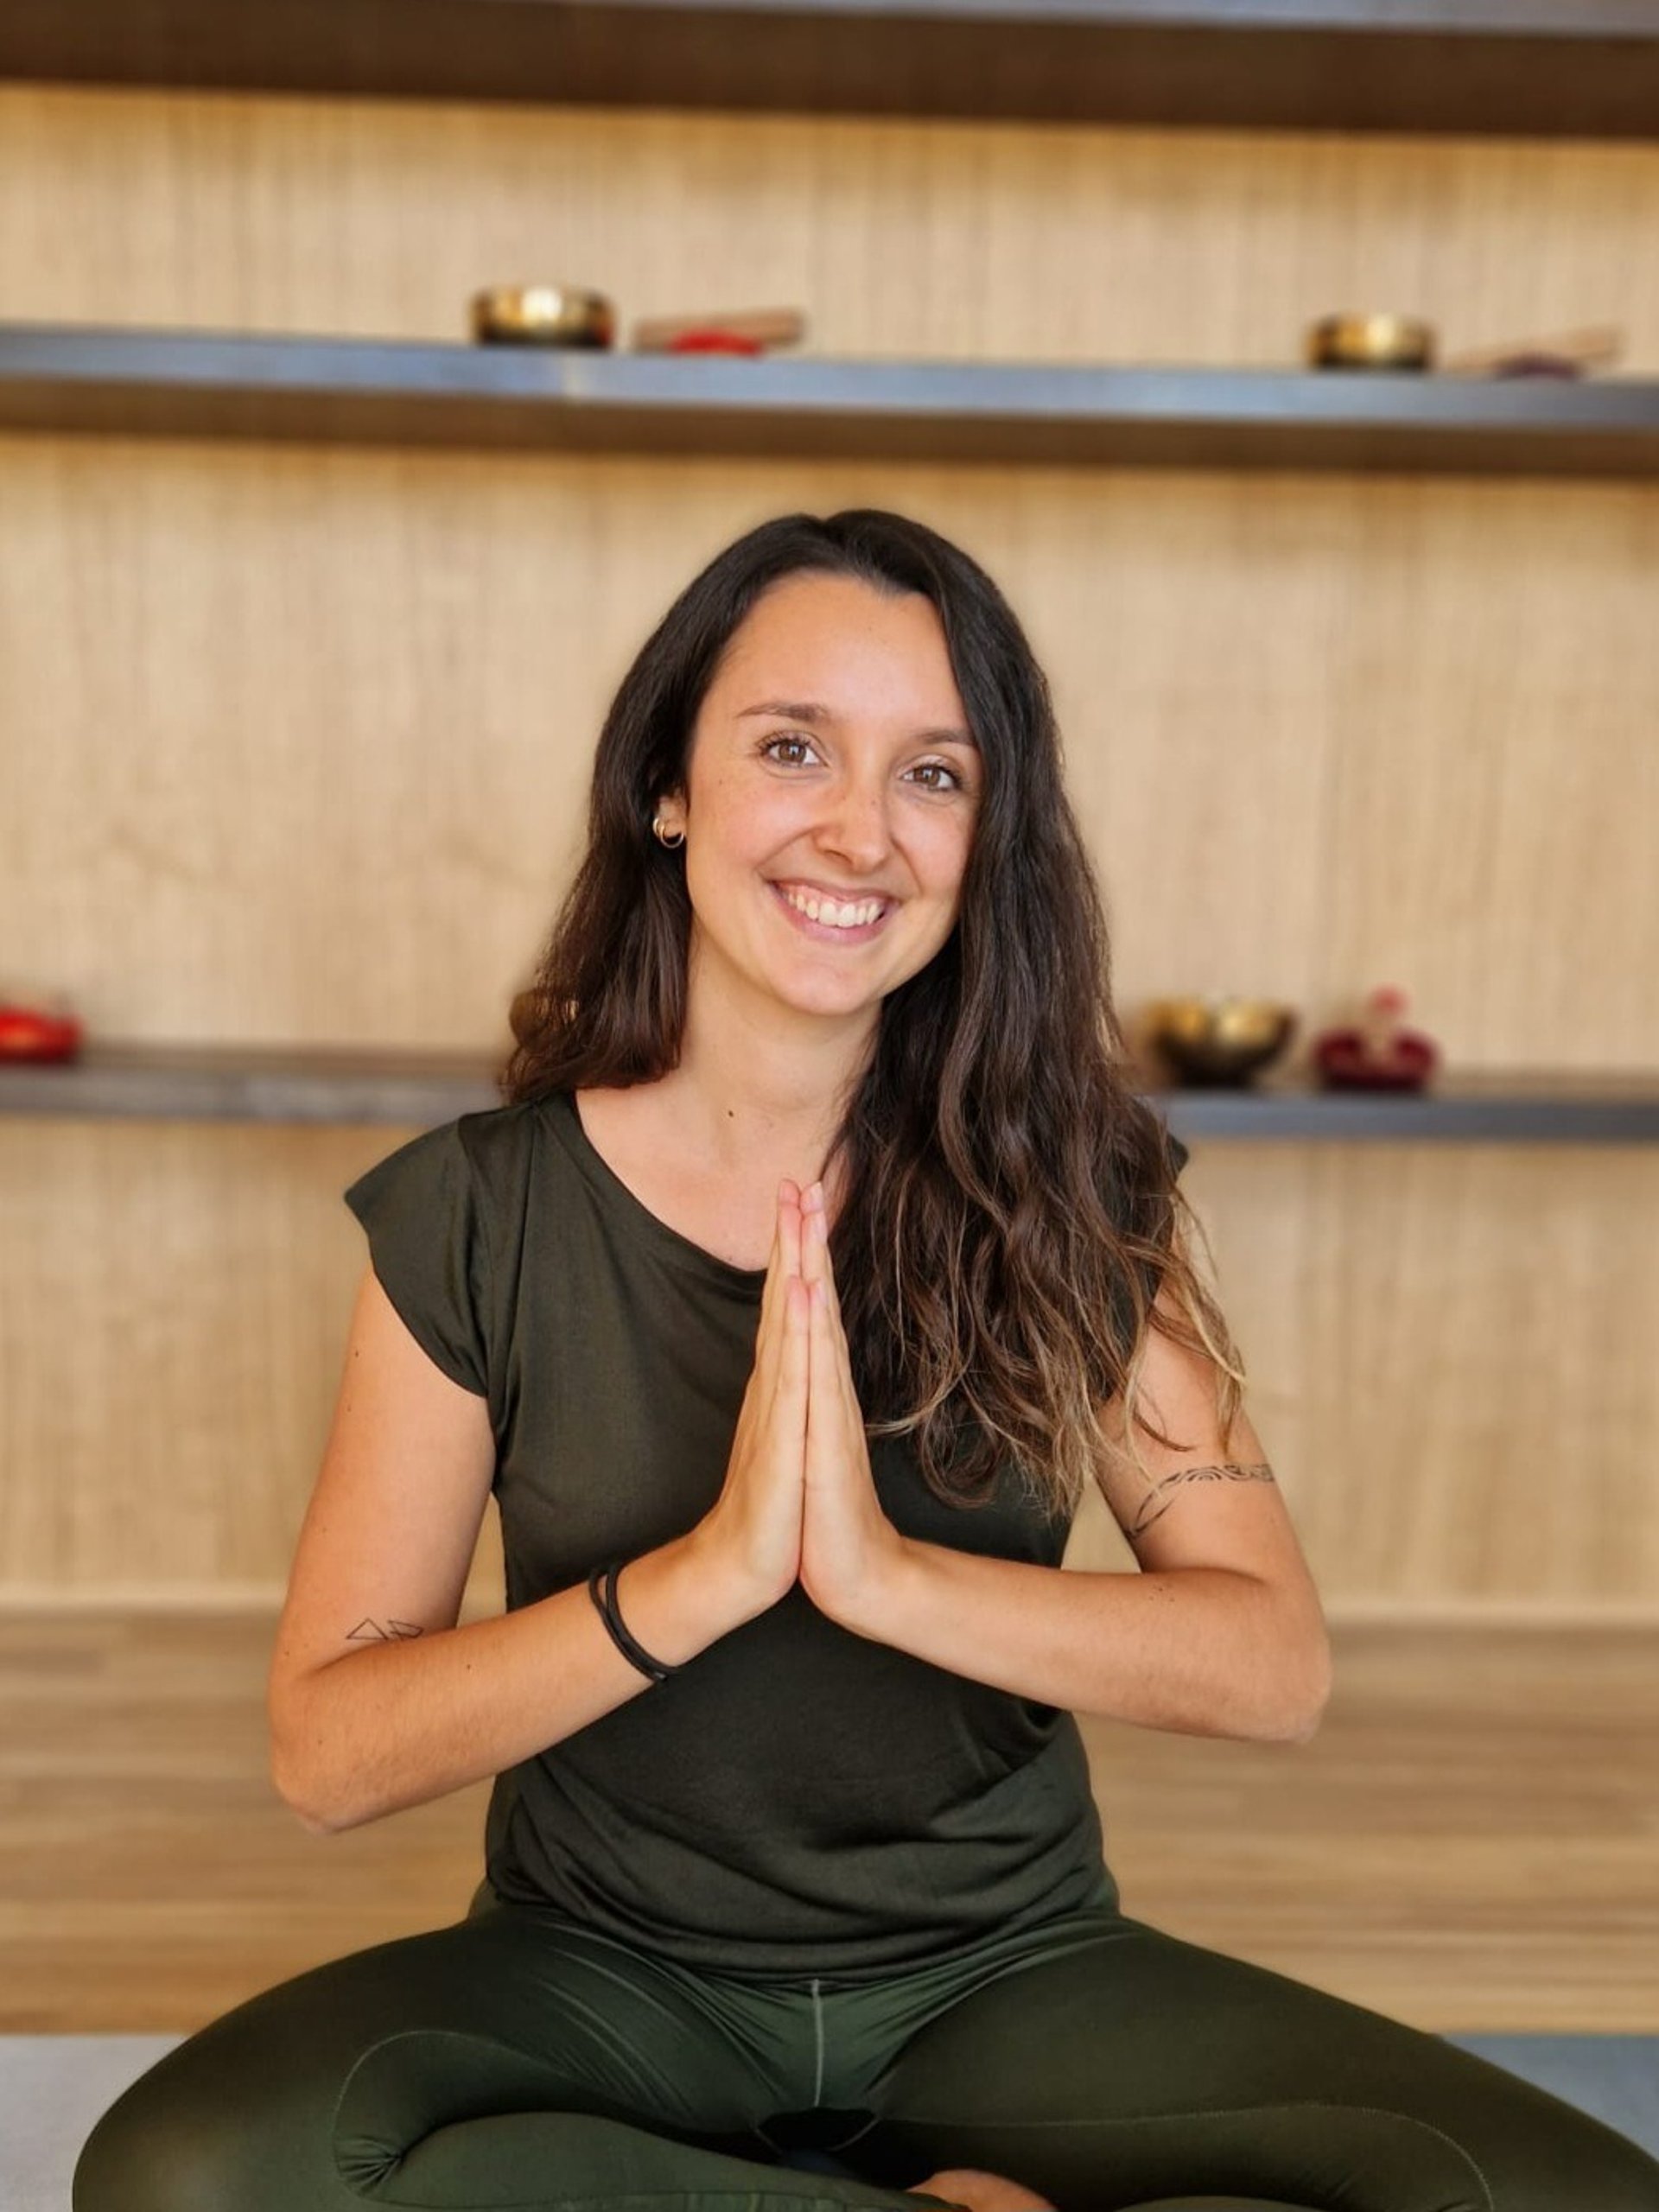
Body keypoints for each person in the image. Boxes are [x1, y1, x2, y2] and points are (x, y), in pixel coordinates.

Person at [74, 509, 1658, 2212]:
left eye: (934, 774)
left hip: (1005, 1979)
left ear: (991, 836)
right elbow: (329, 1748)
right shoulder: (482, 1210)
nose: (859, 828)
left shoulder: (1069, 1196)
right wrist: (701, 1578)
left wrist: (880, 1574)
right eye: (789, 746)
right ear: (666, 786)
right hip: (604, 1980)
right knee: (192, 2172)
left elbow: (1271, 1661)